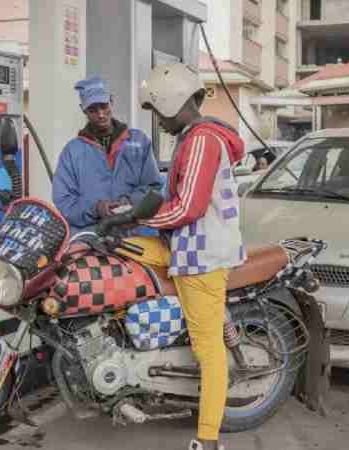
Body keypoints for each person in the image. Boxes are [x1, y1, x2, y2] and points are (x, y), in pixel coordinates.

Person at [119, 63, 245, 450]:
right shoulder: (193, 137)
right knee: (113, 250)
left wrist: (135, 216)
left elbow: (187, 207)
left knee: (208, 351)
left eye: (157, 110)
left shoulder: (202, 141)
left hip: (201, 256)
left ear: (172, 103)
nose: (156, 120)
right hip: (185, 245)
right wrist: (125, 222)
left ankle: (207, 439)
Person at [52, 76, 162, 234]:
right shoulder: (72, 151)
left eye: (104, 106)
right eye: (92, 109)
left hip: (135, 235)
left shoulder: (139, 142)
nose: (101, 114)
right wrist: (96, 208)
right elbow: (64, 201)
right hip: (92, 238)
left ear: (112, 101)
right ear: (83, 109)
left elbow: (153, 187)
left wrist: (129, 201)